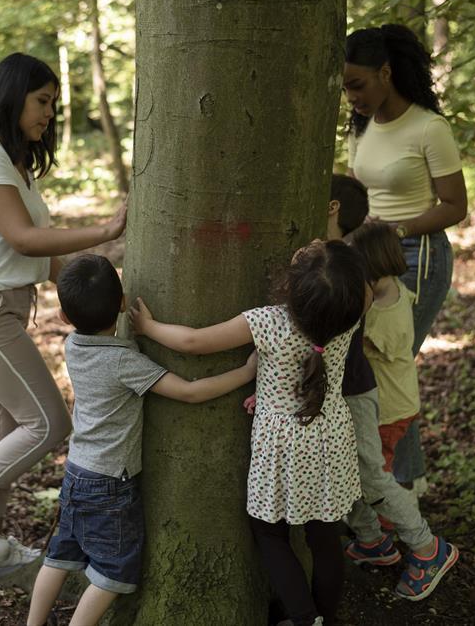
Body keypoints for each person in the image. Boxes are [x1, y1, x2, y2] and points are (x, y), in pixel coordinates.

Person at [0, 53, 128, 581]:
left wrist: (105, 284)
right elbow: (23, 238)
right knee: (48, 422)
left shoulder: (13, 165)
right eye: (42, 101)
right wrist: (104, 230)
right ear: (12, 95)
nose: (49, 114)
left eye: (53, 105)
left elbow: (43, 258)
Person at [132, 240, 369, 626]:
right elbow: (353, 288)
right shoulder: (350, 312)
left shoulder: (268, 322)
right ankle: (326, 614)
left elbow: (194, 342)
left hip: (283, 445)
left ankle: (307, 620)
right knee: (324, 537)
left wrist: (148, 326)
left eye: (311, 250)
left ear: (292, 288)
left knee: (268, 532)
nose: (310, 243)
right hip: (330, 436)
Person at [26, 255, 256, 626]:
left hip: (76, 471)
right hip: (109, 484)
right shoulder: (123, 361)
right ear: (121, 304)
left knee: (61, 554)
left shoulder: (73, 346)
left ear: (66, 318)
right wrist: (245, 372)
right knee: (112, 572)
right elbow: (189, 392)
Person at [343, 24, 469, 487]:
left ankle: (403, 489)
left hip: (418, 256)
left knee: (390, 366)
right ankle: (392, 488)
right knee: (374, 365)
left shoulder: (429, 127)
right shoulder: (362, 128)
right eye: (345, 87)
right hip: (367, 255)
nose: (351, 96)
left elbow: (456, 206)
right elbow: (360, 192)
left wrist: (396, 229)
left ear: (386, 72)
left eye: (358, 84)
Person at [344, 221, 458, 601]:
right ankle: (374, 540)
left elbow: (350, 345)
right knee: (360, 473)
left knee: (373, 478)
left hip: (387, 413)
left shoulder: (382, 313)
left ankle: (427, 548)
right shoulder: (390, 292)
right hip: (384, 407)